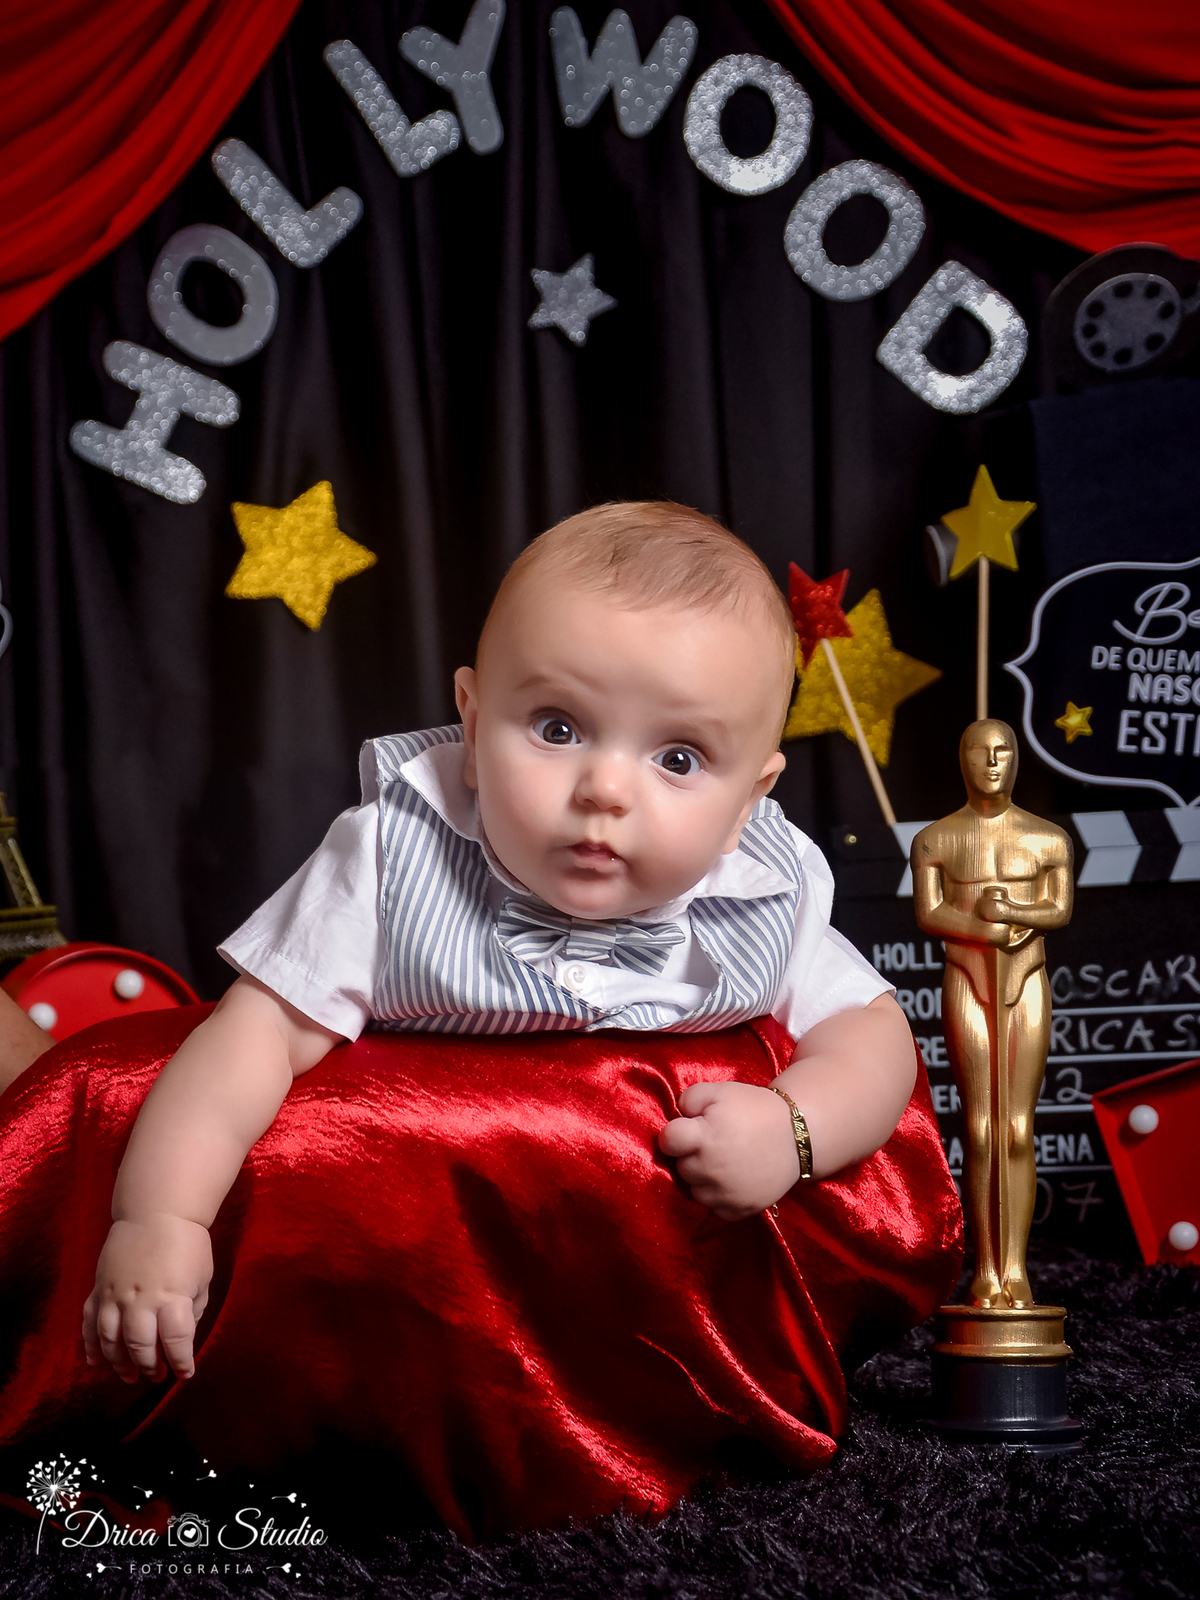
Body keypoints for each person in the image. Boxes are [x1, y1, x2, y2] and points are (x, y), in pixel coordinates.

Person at [83, 501, 917, 1387]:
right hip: (417, 1272)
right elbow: (250, 1036)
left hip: (650, 1299)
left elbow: (872, 1033)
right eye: (558, 728)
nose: (603, 789)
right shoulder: (392, 857)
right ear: (473, 727)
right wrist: (159, 1221)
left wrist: (795, 1129)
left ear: (749, 802)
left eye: (677, 758)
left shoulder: (759, 887)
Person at [911, 719, 1072, 1308]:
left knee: (1019, 1127)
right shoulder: (936, 839)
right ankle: (985, 1268)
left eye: (1004, 751)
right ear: (963, 762)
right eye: (980, 752)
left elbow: (1060, 905)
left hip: (1026, 979)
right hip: (967, 979)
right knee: (979, 1127)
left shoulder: (1048, 838)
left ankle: (1016, 1267)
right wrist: (983, 924)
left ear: (1017, 760)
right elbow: (929, 912)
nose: (993, 762)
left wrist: (1018, 914)